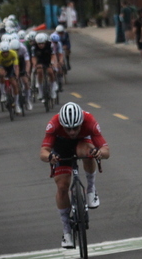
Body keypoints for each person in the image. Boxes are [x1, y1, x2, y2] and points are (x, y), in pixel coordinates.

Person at [40, 102, 110, 248]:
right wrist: (50, 156)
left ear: (81, 122)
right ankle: (66, 231)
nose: (72, 132)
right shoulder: (53, 124)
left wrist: (98, 153)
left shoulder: (89, 120)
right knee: (62, 186)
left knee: (88, 153)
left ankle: (91, 189)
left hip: (83, 143)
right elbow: (43, 151)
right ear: (61, 124)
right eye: (68, 128)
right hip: (61, 147)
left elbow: (106, 151)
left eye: (75, 128)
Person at [0, 41, 22, 114]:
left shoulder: (13, 53)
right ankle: (3, 93)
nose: (5, 53)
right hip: (1, 67)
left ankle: (16, 104)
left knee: (15, 84)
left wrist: (17, 76)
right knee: (2, 74)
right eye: (3, 52)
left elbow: (16, 66)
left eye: (7, 52)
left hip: (10, 67)